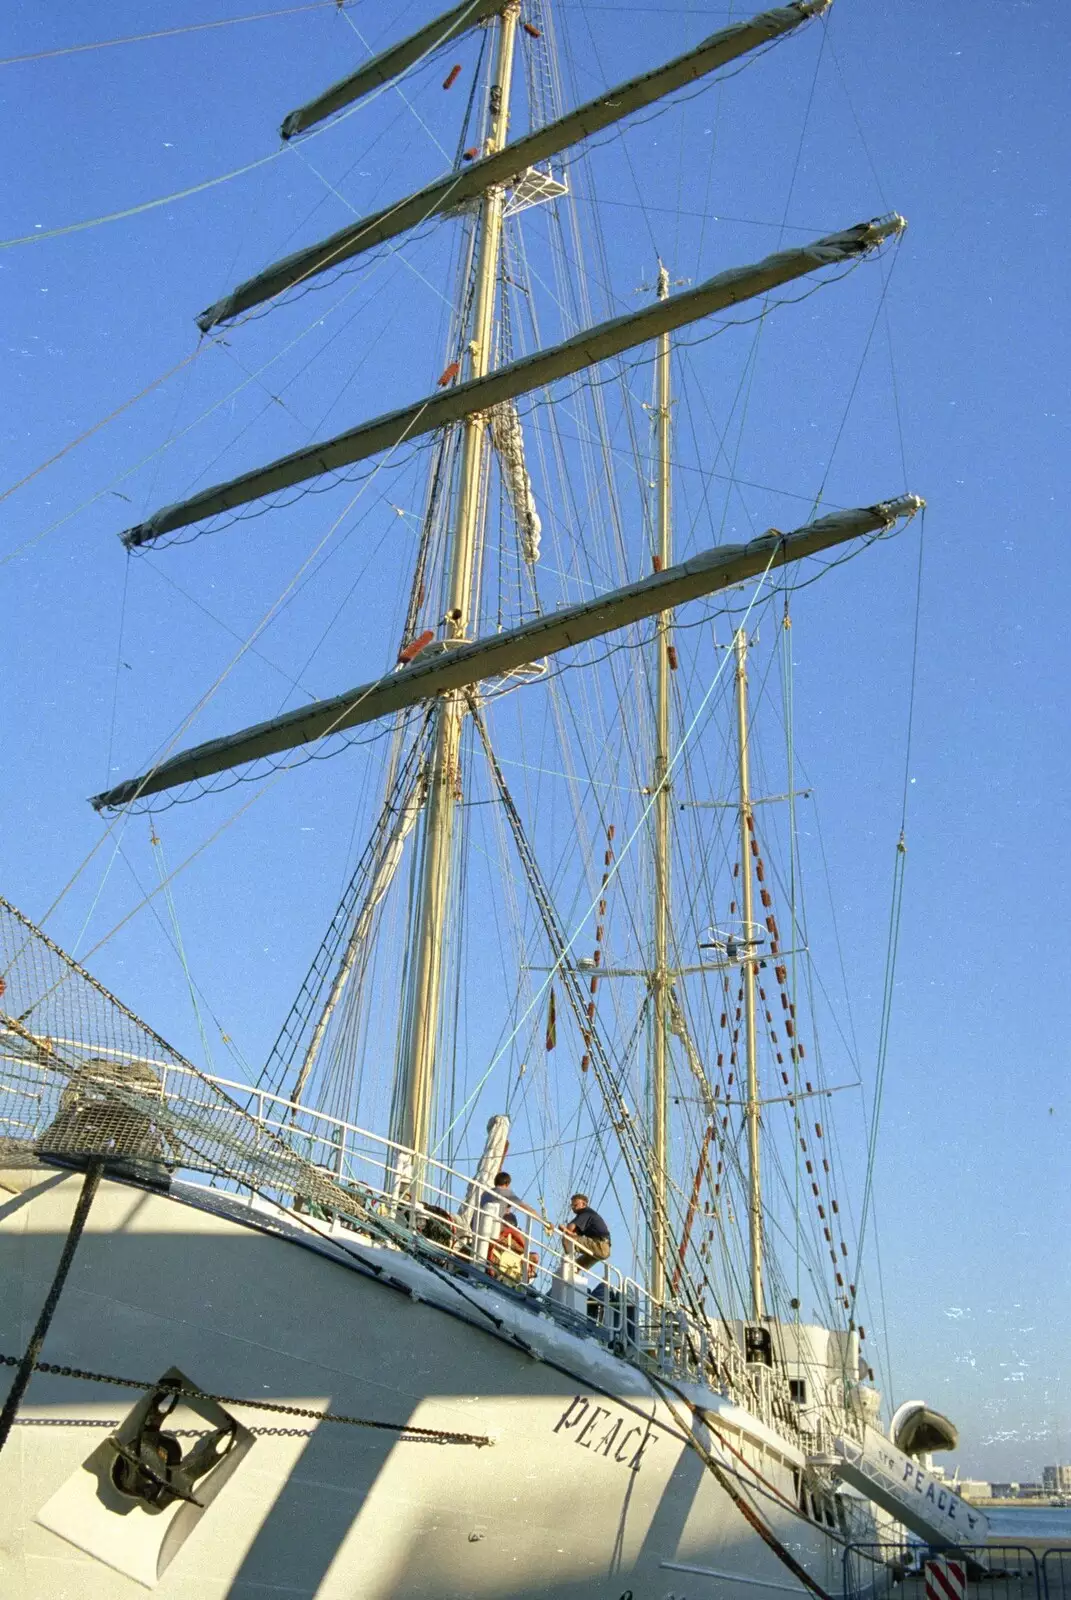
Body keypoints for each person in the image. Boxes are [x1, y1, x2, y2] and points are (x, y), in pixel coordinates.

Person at [562, 1192, 611, 1268]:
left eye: (575, 1205)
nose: (573, 1207)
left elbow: (570, 1228)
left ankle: (567, 1259)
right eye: (571, 1205)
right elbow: (575, 1232)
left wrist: (564, 1229)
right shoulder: (588, 1215)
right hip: (603, 1248)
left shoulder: (585, 1212)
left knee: (567, 1239)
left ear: (584, 1204)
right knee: (575, 1267)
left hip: (600, 1245)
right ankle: (573, 1269)